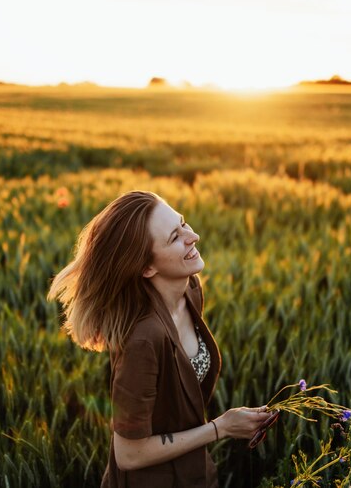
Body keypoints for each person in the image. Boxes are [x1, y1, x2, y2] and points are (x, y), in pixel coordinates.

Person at [47, 190, 275, 488]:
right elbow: (128, 454)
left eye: (184, 223)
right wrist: (221, 428)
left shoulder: (190, 289)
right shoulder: (142, 340)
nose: (193, 236)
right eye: (174, 237)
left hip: (195, 472)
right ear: (146, 267)